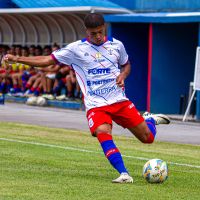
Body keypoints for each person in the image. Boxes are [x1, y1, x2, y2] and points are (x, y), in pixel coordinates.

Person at [4, 13, 170, 183]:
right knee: (102, 132)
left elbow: (126, 64)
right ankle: (124, 174)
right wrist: (17, 58)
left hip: (119, 101)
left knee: (147, 138)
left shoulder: (117, 45)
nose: (97, 37)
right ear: (86, 32)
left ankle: (149, 120)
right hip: (95, 104)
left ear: (104, 28)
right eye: (93, 34)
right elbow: (47, 60)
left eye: (100, 32)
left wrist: (123, 75)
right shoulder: (75, 49)